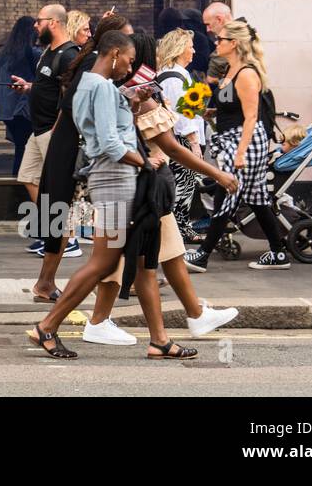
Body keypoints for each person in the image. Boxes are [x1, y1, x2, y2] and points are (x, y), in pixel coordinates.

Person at [27, 31, 196, 360]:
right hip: (115, 182)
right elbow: (108, 144)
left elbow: (104, 130)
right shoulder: (103, 86)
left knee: (144, 261)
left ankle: (159, 340)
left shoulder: (87, 84)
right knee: (103, 262)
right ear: (115, 53)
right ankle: (47, 325)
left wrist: (130, 106)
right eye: (129, 61)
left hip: (112, 181)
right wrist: (145, 161)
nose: (129, 68)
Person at [82, 90, 240, 345]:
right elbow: (171, 148)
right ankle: (83, 323)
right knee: (119, 261)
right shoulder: (139, 97)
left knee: (169, 251)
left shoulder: (130, 93)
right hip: (135, 189)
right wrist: (217, 174)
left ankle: (192, 316)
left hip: (146, 189)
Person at [29, 12, 132, 301]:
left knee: (66, 216)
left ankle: (48, 282)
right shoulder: (93, 65)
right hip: (75, 146)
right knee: (64, 215)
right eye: (126, 41)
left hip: (71, 142)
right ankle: (47, 282)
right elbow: (74, 104)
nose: (130, 53)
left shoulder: (95, 65)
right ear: (113, 48)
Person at [183, 20, 290, 273]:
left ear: (234, 44)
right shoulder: (229, 71)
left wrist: (241, 153)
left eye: (220, 40)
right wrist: (207, 112)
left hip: (245, 142)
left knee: (226, 195)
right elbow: (230, 109)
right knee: (257, 199)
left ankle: (203, 254)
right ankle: (278, 253)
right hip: (232, 139)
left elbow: (251, 117)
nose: (216, 43)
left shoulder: (247, 74)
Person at [11, 5, 78, 253]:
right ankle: (50, 229)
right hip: (37, 129)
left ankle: (67, 238)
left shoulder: (70, 55)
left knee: (57, 186)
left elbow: (70, 98)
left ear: (54, 23)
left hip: (52, 130)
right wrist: (29, 87)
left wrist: (59, 131)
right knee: (28, 177)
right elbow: (48, 87)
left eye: (39, 21)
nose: (35, 26)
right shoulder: (47, 53)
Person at [155, 28, 204, 242]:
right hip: (181, 139)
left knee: (184, 184)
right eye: (190, 46)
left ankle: (180, 228)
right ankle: (179, 230)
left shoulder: (176, 74)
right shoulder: (174, 78)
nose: (193, 51)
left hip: (180, 137)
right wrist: (194, 143)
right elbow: (182, 113)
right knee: (183, 185)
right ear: (178, 49)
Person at [0, 16, 36, 177]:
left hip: (8, 108)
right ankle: (20, 185)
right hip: (22, 108)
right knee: (26, 150)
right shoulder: (30, 53)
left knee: (21, 148)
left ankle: (16, 181)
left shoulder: (6, 54)